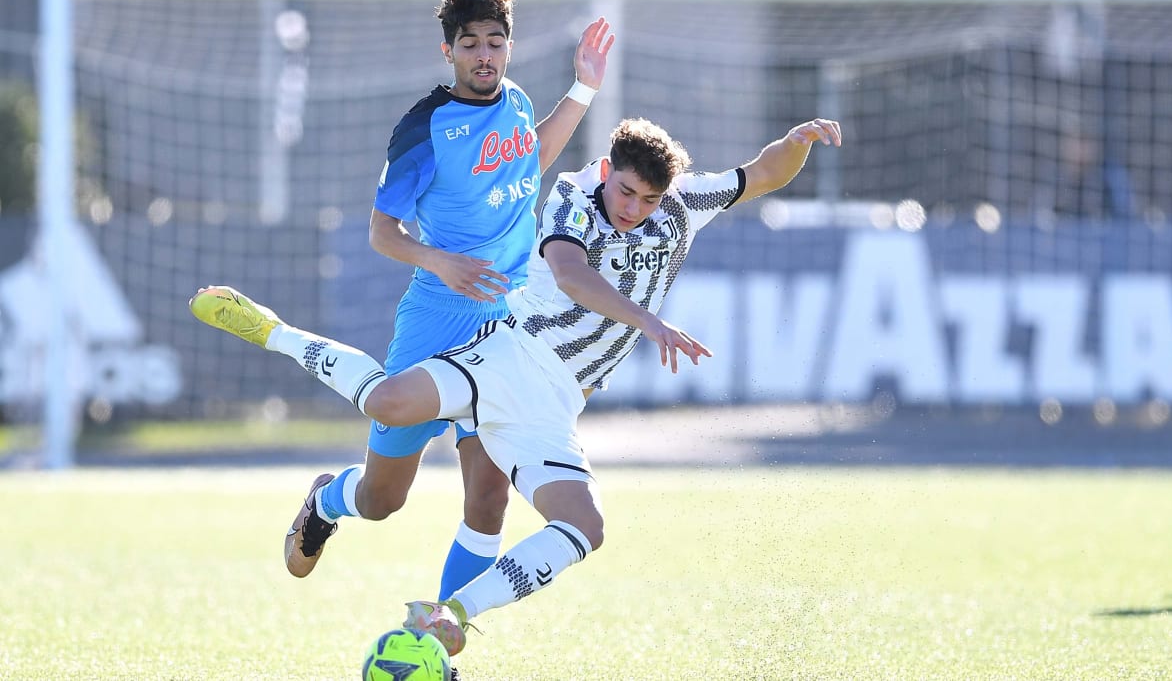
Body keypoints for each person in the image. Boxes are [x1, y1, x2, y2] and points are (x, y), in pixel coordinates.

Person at [189, 115, 842, 657]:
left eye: (647, 201)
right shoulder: (571, 198)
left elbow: (759, 175)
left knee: (581, 525)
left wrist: (798, 144)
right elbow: (568, 273)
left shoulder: (681, 204)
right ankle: (272, 338)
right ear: (607, 171)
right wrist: (647, 320)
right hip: (510, 355)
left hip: (554, 406)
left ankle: (446, 620)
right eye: (625, 194)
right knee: (388, 448)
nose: (634, 211)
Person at [274, 0, 613, 605]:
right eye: (470, 43)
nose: (484, 55)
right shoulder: (422, 127)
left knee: (488, 497)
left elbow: (531, 159)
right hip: (437, 318)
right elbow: (381, 231)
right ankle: (329, 498)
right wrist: (439, 261)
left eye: (495, 41)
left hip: (507, 325)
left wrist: (584, 89)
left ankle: (438, 644)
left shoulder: (516, 101)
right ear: (448, 50)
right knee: (383, 500)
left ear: (509, 46)